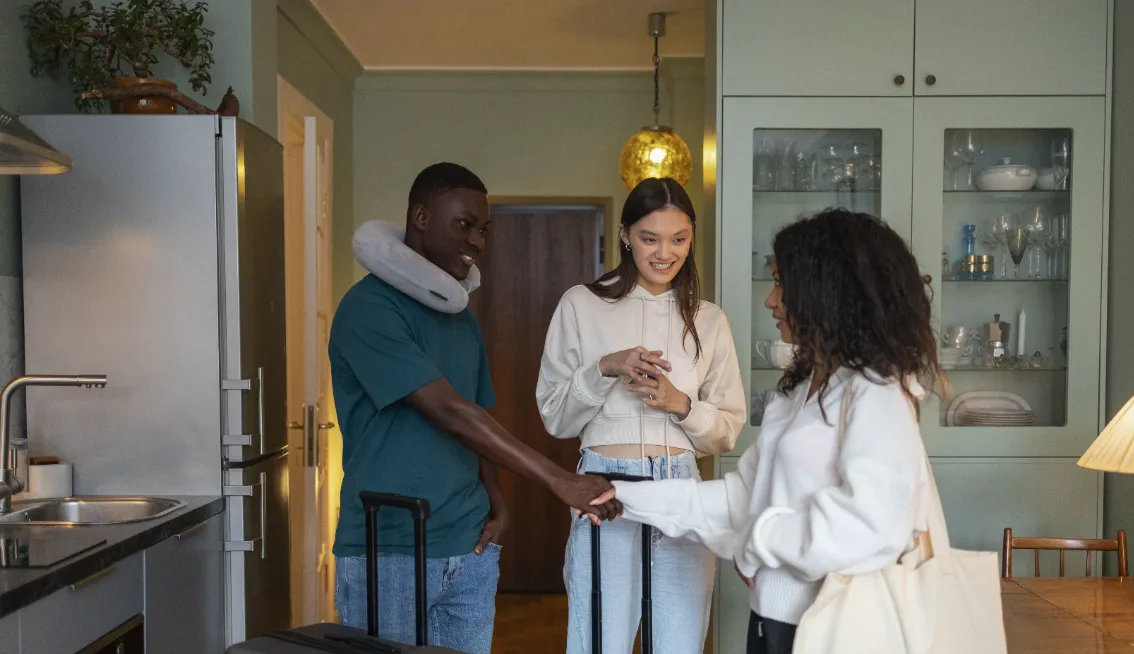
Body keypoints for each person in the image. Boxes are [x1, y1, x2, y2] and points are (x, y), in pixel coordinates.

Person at [606, 208, 943, 654]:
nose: (770, 300)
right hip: (774, 618)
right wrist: (618, 495)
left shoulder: (876, 393)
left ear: (827, 292)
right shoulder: (800, 391)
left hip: (838, 629)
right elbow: (742, 496)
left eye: (782, 283)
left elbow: (870, 527)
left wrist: (758, 539)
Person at [328, 162, 619, 654]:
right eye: (464, 224)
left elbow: (479, 415)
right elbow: (448, 410)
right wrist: (558, 479)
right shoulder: (370, 308)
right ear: (420, 217)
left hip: (470, 544)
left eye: (483, 229)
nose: (478, 240)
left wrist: (498, 505)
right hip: (390, 546)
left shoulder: (458, 316)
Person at [536, 176, 747, 654]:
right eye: (650, 238)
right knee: (599, 644)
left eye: (679, 239)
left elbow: (727, 432)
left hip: (681, 487)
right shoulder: (581, 304)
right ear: (625, 235)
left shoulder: (709, 319)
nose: (664, 253)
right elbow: (556, 418)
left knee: (678, 644)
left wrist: (682, 405)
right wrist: (605, 368)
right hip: (605, 488)